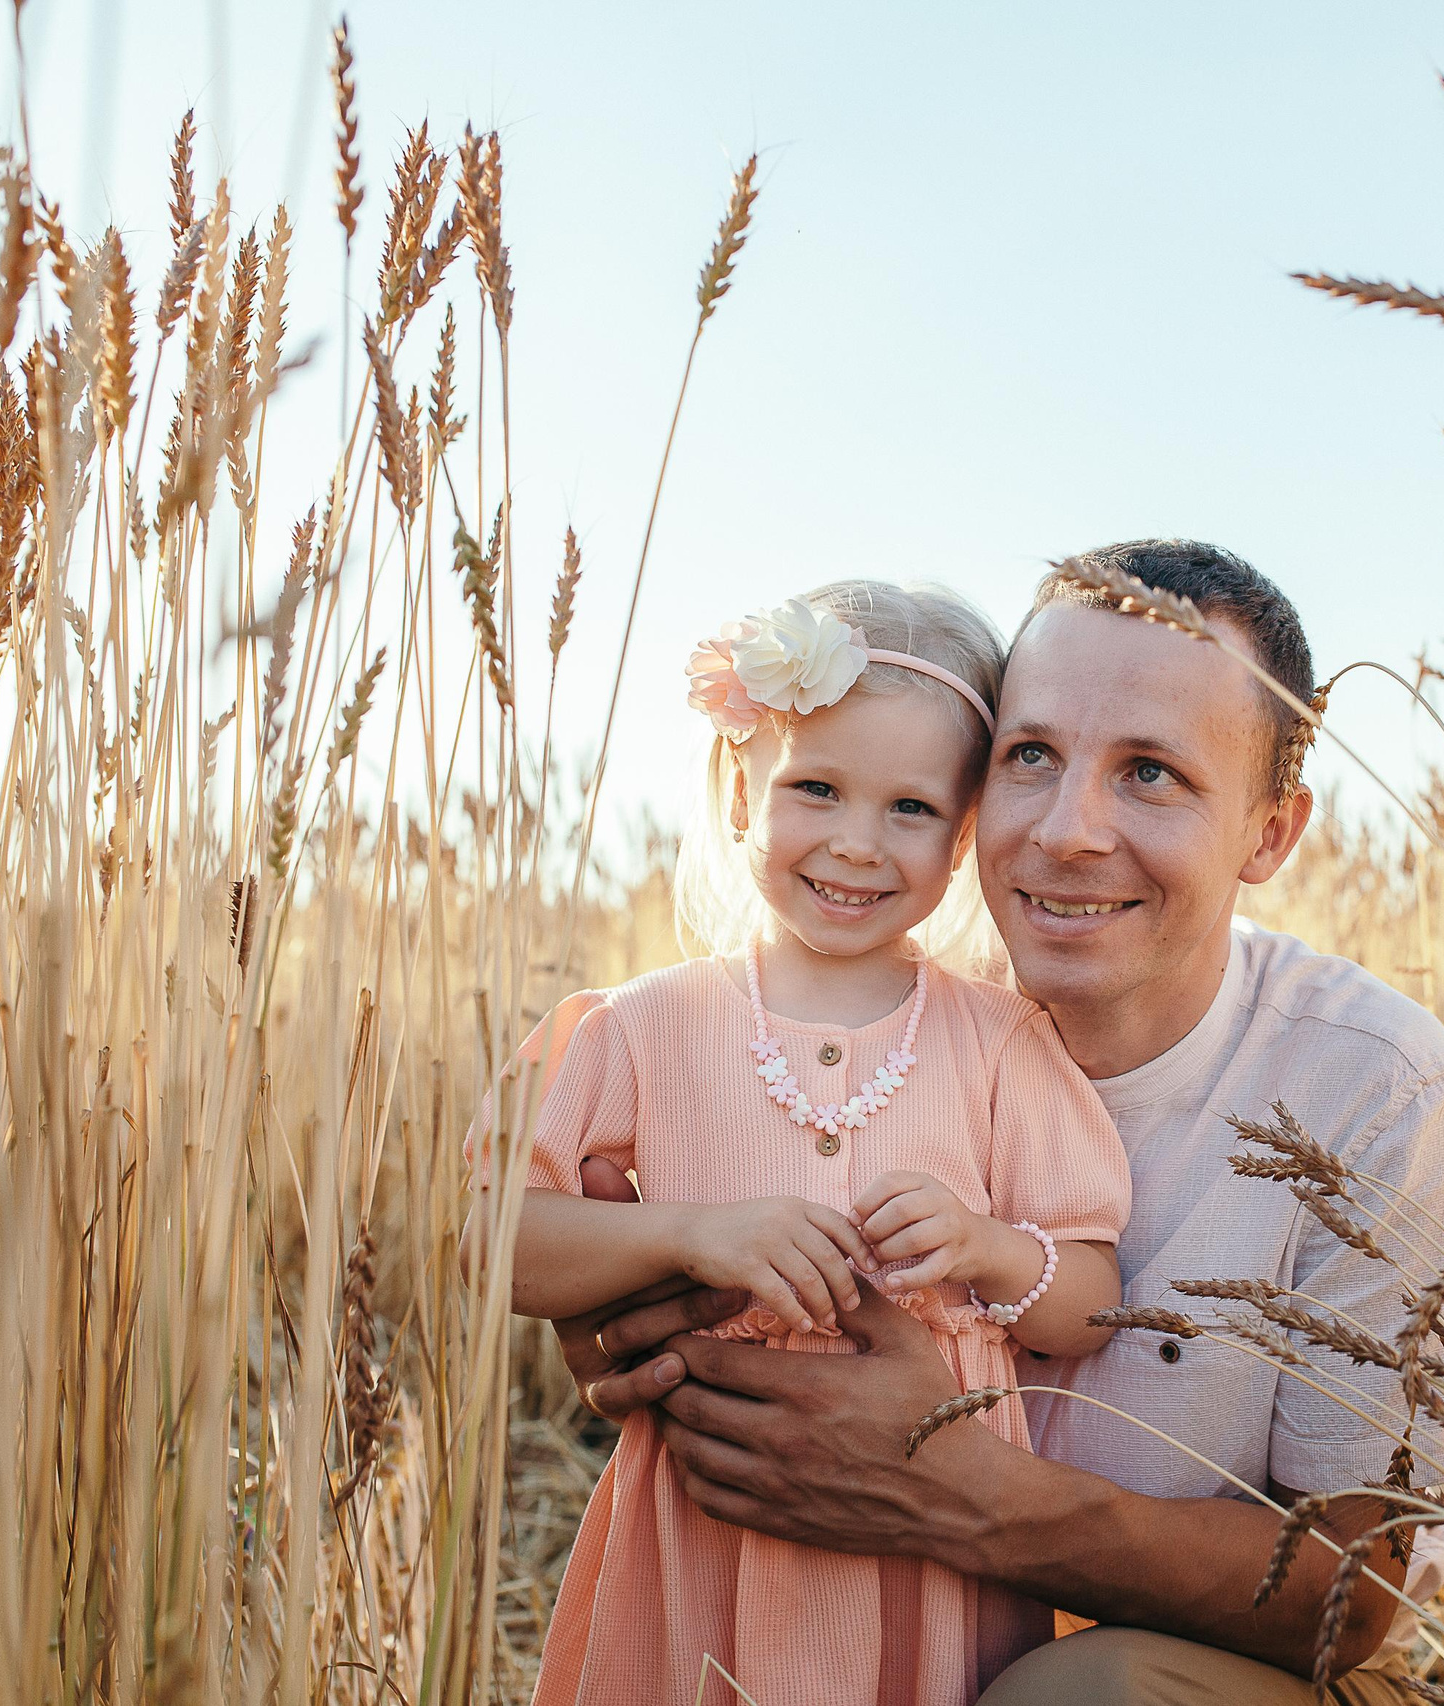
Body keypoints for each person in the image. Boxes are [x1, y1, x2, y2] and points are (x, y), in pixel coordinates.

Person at [547, 541, 1444, 1703]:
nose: (1066, 830)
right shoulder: (868, 997)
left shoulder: (1374, 1083)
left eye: (1151, 773)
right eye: (1031, 756)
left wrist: (960, 1490)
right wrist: (649, 1329)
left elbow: (1355, 1593)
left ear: (1269, 832)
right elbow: (592, 1274)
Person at [472, 582, 1133, 1706]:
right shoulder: (644, 1025)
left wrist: (984, 1245)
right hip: (704, 1521)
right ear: (740, 790)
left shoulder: (999, 1040)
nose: (855, 843)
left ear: (964, 829)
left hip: (923, 1547)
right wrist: (687, 1233)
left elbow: (1092, 1297)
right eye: (815, 787)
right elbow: (493, 1240)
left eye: (911, 809)